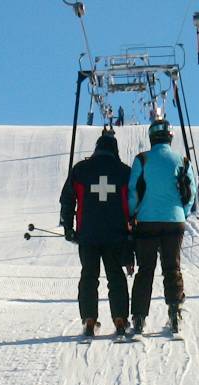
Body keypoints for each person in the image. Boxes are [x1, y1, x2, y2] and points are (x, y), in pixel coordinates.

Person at [59, 128, 133, 338]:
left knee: (89, 276)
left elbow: (67, 198)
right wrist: (131, 234)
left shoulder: (81, 169)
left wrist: (68, 227)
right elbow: (132, 203)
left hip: (88, 234)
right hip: (115, 234)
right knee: (116, 277)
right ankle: (120, 319)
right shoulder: (124, 172)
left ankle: (89, 320)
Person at [128, 118, 197, 335]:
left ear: (151, 137)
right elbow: (191, 192)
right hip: (174, 221)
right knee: (172, 267)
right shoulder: (182, 161)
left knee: (145, 270)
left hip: (146, 222)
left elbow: (133, 191)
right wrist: (182, 213)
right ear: (170, 136)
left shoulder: (142, 160)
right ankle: (175, 314)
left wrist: (133, 214)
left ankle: (139, 319)